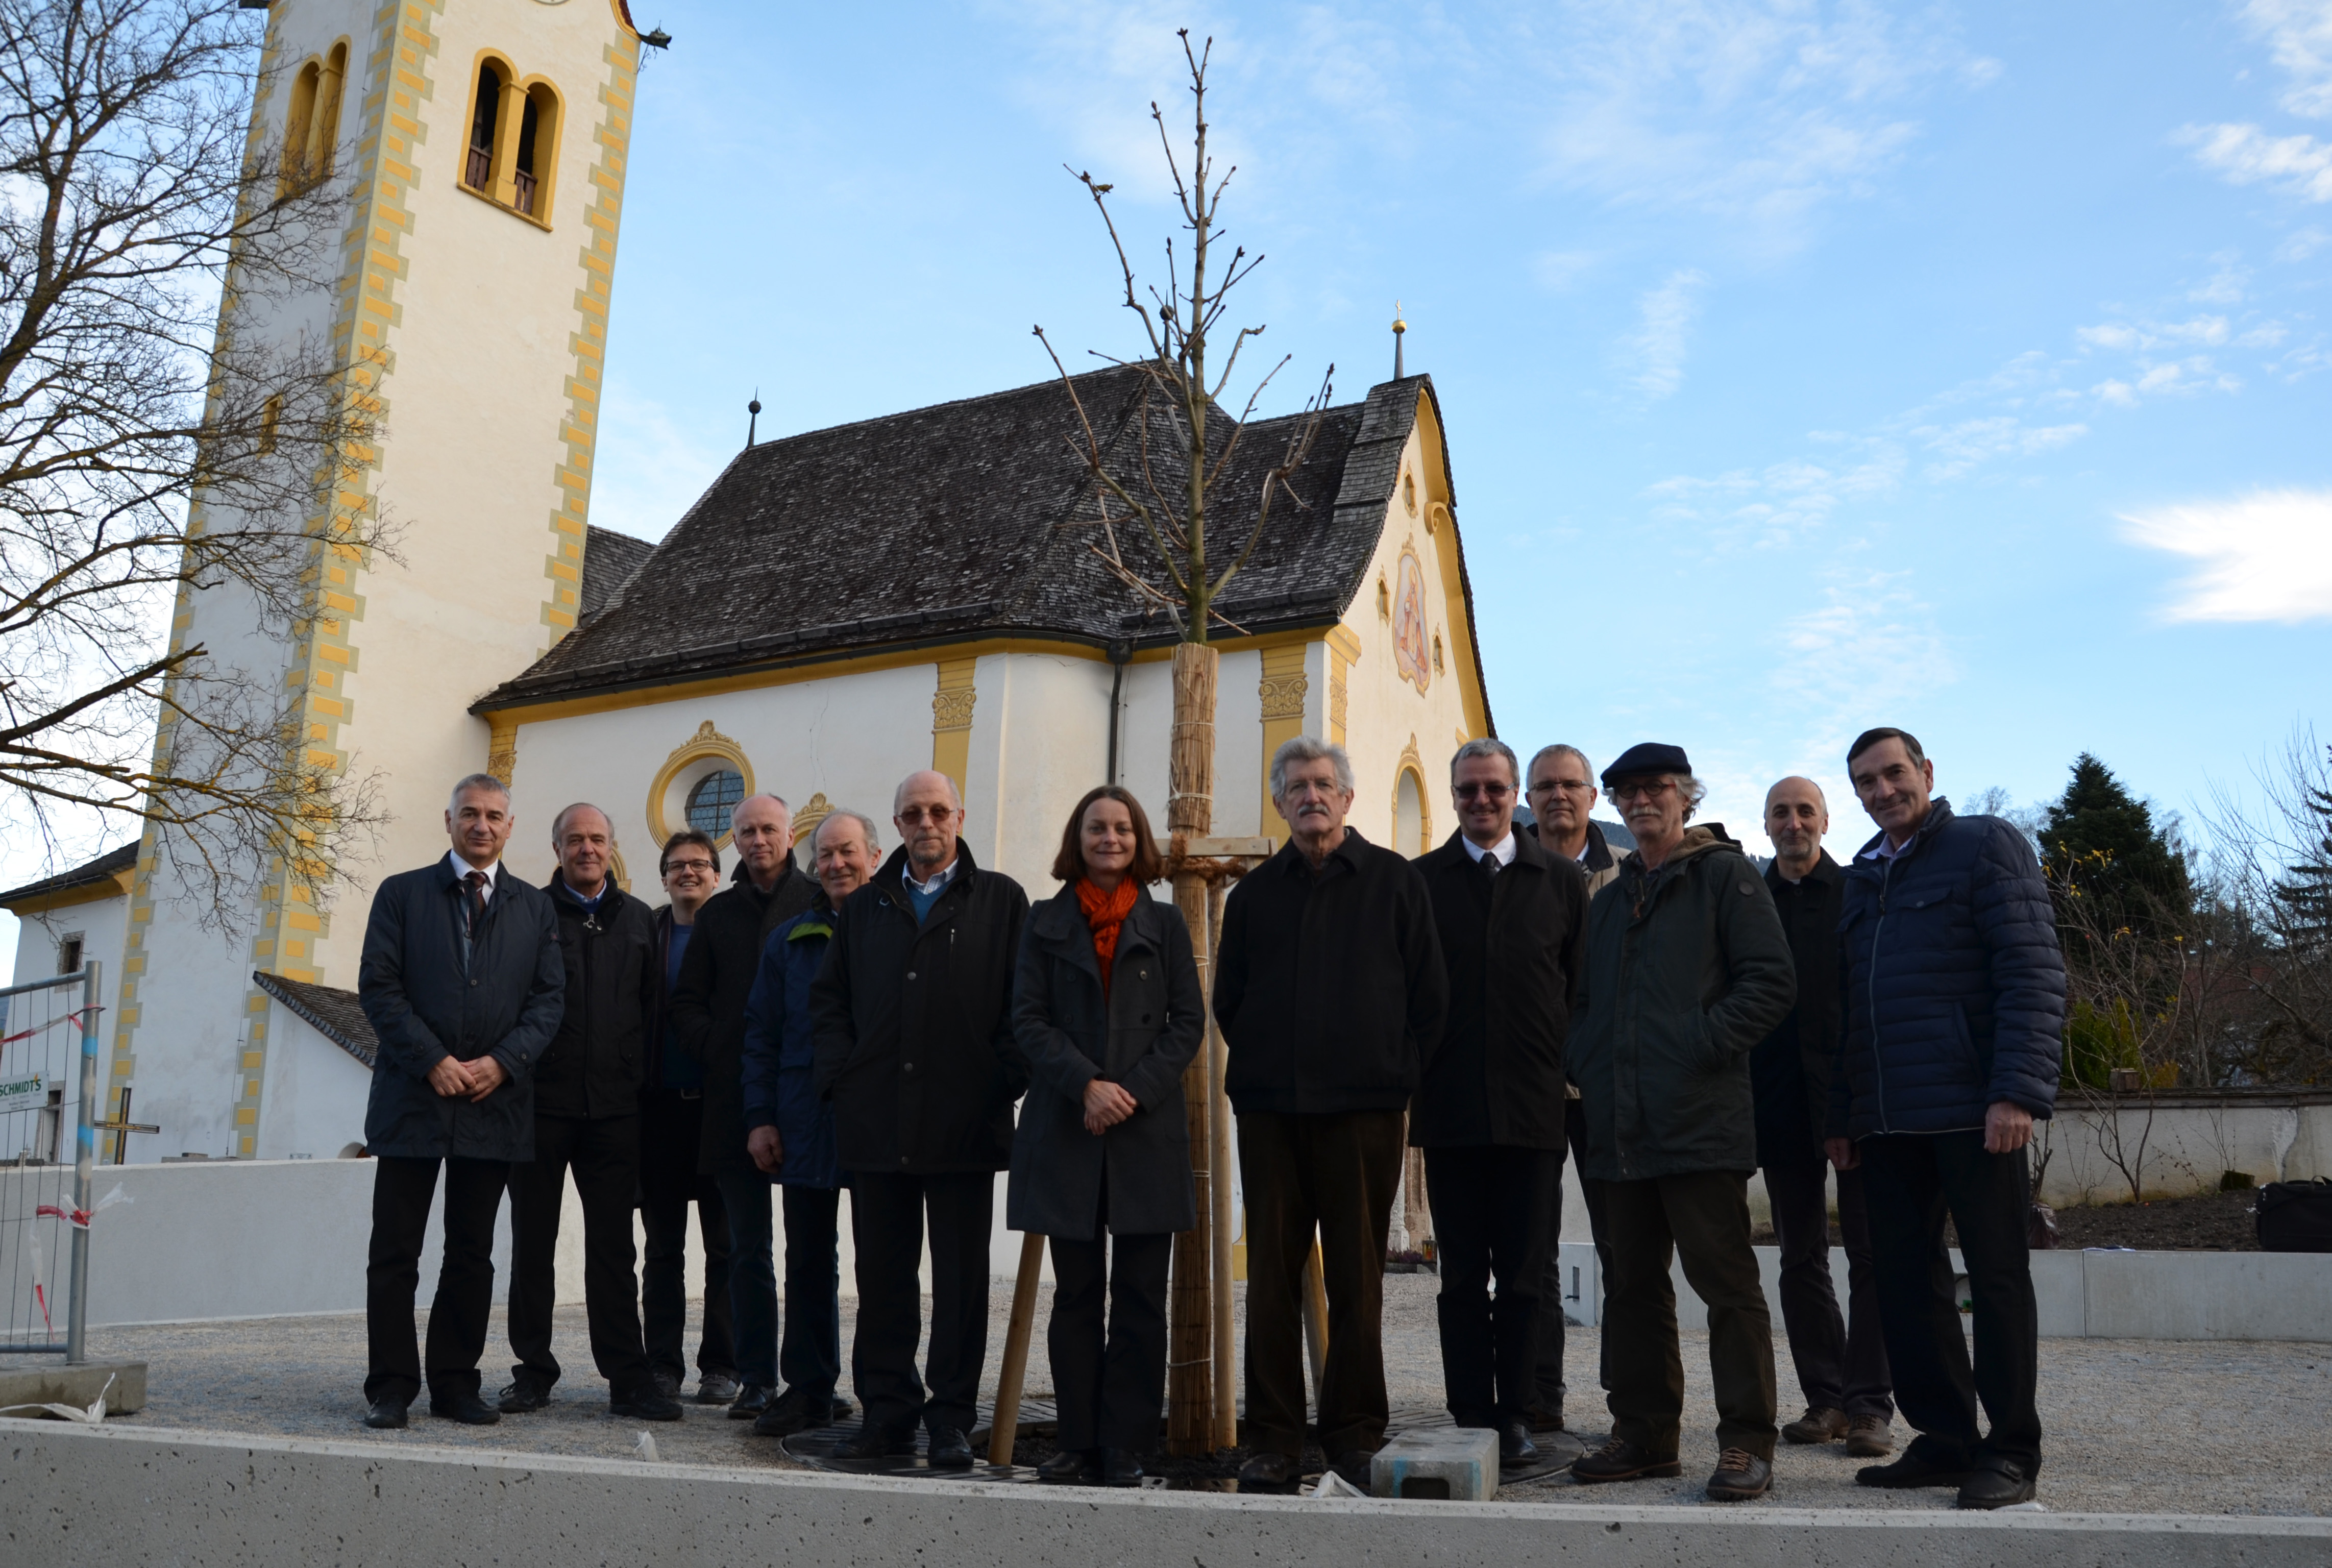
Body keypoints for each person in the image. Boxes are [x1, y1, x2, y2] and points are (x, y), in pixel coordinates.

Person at [1829, 728, 2064, 1509]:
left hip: (1975, 1110)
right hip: (1889, 1122)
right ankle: (1944, 1438)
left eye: (1893, 773)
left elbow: (2031, 970)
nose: (1882, 791)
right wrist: (1845, 1113)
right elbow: (1844, 1008)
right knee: (1903, 1282)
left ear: (1926, 772)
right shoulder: (1862, 879)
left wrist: (2016, 1092)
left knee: (1995, 1279)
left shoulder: (1984, 846)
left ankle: (2011, 1450)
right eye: (1865, 782)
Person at [1216, 736, 1447, 1491]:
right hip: (1272, 1113)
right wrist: (1259, 1069)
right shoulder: (1254, 895)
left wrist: (1393, 1076)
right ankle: (1275, 1440)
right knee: (1273, 1280)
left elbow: (1429, 997)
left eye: (1324, 785)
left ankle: (1353, 1432)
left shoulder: (1393, 882)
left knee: (1357, 1278)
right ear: (1281, 803)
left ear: (1347, 799)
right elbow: (1231, 999)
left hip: (1364, 1112)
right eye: (1297, 787)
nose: (1311, 797)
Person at [1566, 742, 1795, 1502]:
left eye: (1655, 788)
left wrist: (1698, 1044)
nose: (1639, 801)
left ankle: (1746, 1443)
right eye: (1625, 791)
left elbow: (1770, 984)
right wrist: (1588, 1066)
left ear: (1685, 796)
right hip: (1618, 1128)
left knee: (1726, 1288)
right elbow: (1583, 1004)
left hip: (1699, 1122)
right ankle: (1645, 1434)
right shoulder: (1606, 902)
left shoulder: (1725, 877)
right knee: (1630, 1288)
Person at [811, 770, 1029, 1466]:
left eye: (938, 810)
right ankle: (888, 1416)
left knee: (962, 1284)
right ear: (897, 825)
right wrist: (842, 1080)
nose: (926, 822)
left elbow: (1024, 1006)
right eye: (913, 813)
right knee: (882, 1282)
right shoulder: (868, 904)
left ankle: (950, 1421)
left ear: (959, 817)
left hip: (964, 1123)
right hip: (876, 1123)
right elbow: (829, 1005)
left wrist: (999, 1082)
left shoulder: (1000, 899)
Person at [1009, 787, 1202, 1486]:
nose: (1110, 838)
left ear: (1137, 839)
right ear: (1078, 837)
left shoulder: (1166, 924)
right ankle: (1078, 1442)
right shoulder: (1043, 921)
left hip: (1144, 1131)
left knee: (1143, 1299)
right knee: (1076, 1297)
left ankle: (1128, 1446)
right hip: (1068, 1125)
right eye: (1097, 827)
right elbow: (1026, 1020)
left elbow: (1187, 1022)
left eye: (1122, 828)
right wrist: (1086, 1084)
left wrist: (1131, 1094)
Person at [356, 773, 562, 1428]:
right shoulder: (402, 894)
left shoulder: (535, 908)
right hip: (412, 1102)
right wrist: (433, 1061)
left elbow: (549, 1001)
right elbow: (379, 986)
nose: (482, 825)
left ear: (509, 826)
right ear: (448, 822)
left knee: (471, 1255)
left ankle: (455, 1383)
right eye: (469, 814)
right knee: (395, 1254)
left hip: (492, 1106)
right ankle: (391, 1386)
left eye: (494, 816)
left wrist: (502, 1064)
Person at [1411, 739, 1587, 1465]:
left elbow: (1577, 992)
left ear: (1515, 794)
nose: (1480, 802)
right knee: (1459, 1277)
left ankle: (1516, 1414)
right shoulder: (1421, 881)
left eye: (1493, 789)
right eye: (1468, 791)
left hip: (1532, 1109)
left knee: (1521, 1276)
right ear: (1454, 796)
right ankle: (1469, 1413)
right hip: (1450, 1110)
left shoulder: (1560, 881)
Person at [500, 805, 678, 1420]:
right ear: (556, 848)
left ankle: (628, 1378)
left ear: (612, 845)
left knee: (614, 1250)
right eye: (575, 840)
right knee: (532, 1245)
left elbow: (653, 1011)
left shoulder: (637, 921)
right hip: (540, 1106)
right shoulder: (528, 913)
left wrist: (639, 1089)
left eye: (597, 839)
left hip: (614, 1110)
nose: (587, 849)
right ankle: (533, 1372)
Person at [1754, 777, 1895, 1457]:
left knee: (1870, 1257)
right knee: (1798, 1258)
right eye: (1780, 812)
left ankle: (1870, 1406)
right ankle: (1827, 1398)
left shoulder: (1856, 894)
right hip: (1778, 1104)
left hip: (1855, 1103)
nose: (1793, 822)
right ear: (1765, 825)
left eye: (1804, 810)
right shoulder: (1751, 901)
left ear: (1826, 820)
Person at [670, 793, 816, 1420]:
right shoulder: (719, 915)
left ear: (790, 835)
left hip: (811, 1097)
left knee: (813, 1250)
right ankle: (756, 1375)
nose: (759, 839)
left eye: (769, 829)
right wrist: (721, 1046)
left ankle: (811, 1378)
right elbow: (686, 1005)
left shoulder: (818, 904)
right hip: (734, 1100)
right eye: (747, 830)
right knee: (743, 1249)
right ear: (734, 839)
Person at [736, 811, 880, 1438]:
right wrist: (761, 1118)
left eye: (848, 852)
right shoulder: (791, 938)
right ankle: (810, 1388)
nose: (836, 865)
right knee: (808, 1262)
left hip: (882, 1122)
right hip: (802, 1119)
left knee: (883, 1263)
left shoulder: (894, 932)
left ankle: (884, 1390)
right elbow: (761, 1035)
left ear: (874, 857)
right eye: (826, 855)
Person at [1520, 741, 1626, 1430]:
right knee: (1529, 1250)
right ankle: (1538, 1400)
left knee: (1625, 1248)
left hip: (1607, 1088)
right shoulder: (1507, 870)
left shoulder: (1629, 875)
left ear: (1593, 798)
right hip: (1526, 1085)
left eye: (1570, 785)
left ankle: (1631, 1401)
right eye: (1545, 786)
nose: (1558, 796)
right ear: (1528, 799)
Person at [639, 829, 740, 1406]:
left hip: (721, 1112)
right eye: (677, 865)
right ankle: (662, 1366)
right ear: (664, 876)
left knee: (725, 1246)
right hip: (659, 1112)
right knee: (662, 1248)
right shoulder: (648, 934)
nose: (689, 873)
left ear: (716, 873)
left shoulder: (731, 931)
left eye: (700, 864)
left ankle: (722, 1366)